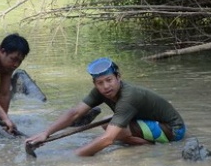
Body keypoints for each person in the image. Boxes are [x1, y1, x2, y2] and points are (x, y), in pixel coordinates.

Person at [25, 57, 186, 156]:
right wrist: (46, 133)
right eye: (100, 83)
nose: (106, 86)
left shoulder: (129, 96)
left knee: (114, 132)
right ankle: (143, 142)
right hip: (149, 121)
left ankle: (149, 146)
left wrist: (75, 156)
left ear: (118, 78)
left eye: (109, 80)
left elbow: (107, 139)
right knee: (105, 123)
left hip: (174, 130)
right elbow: (75, 113)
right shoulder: (100, 91)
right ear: (95, 84)